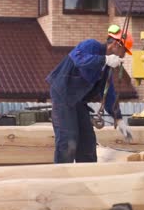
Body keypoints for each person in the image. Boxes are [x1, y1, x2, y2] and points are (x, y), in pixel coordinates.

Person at [46, 24, 134, 163]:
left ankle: (87, 175)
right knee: (68, 139)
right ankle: (62, 175)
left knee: (87, 141)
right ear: (117, 45)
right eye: (124, 51)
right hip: (63, 95)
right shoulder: (91, 46)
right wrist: (104, 59)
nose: (123, 56)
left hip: (79, 101)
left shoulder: (107, 68)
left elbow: (108, 92)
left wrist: (119, 119)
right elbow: (79, 59)